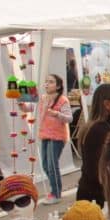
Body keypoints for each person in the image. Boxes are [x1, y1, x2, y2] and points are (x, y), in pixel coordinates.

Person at [77, 84, 110, 207]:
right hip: (96, 200)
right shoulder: (99, 130)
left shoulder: (104, 127)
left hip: (95, 195)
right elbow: (98, 171)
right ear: (107, 104)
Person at [36, 74, 72, 204]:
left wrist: (57, 114)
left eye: (51, 82)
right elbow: (33, 109)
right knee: (46, 165)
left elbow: (69, 118)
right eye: (46, 81)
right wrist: (23, 106)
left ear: (58, 86)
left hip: (57, 136)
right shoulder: (43, 98)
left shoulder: (62, 100)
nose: (47, 84)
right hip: (44, 134)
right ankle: (55, 190)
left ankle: (56, 193)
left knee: (52, 165)